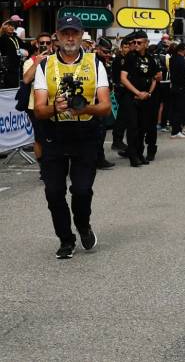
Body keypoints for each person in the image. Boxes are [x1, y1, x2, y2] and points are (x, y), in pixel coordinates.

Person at [33, 16, 111, 259]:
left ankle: (83, 224)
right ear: (57, 35)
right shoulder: (45, 66)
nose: (69, 38)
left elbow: (105, 106)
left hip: (85, 133)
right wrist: (56, 107)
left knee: (82, 190)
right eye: (65, 33)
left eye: (74, 33)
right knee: (54, 192)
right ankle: (65, 239)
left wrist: (85, 108)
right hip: (54, 134)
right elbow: (39, 110)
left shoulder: (95, 63)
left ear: (81, 35)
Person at [120, 31, 158, 166]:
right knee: (133, 128)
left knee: (143, 128)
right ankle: (133, 156)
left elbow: (155, 77)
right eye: (134, 42)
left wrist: (148, 93)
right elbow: (123, 78)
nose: (135, 45)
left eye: (139, 42)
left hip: (145, 98)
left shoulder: (151, 58)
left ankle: (140, 153)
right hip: (131, 97)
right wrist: (137, 92)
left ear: (146, 44)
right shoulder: (130, 57)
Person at [22, 32, 53, 165]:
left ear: (51, 45)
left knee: (55, 137)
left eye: (47, 43)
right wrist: (38, 62)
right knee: (40, 138)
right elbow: (26, 79)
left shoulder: (57, 60)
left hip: (54, 105)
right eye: (42, 43)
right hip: (35, 105)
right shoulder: (30, 61)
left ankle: (56, 164)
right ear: (36, 44)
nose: (45, 45)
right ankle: (43, 166)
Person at [94, 37, 116, 169]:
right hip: (95, 101)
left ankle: (99, 158)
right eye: (105, 51)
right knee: (97, 131)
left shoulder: (104, 62)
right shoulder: (93, 62)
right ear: (97, 49)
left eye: (109, 52)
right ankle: (97, 159)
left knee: (101, 131)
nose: (108, 54)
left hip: (104, 99)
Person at [111, 36, 131, 151]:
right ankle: (117, 141)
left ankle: (119, 140)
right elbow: (116, 77)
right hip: (120, 91)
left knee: (125, 117)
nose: (127, 49)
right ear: (121, 48)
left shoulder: (130, 59)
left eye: (128, 47)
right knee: (121, 117)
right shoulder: (119, 59)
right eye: (125, 47)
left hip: (127, 90)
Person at [169, 43, 185, 139]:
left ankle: (178, 129)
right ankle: (176, 131)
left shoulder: (172, 59)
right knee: (179, 110)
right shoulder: (182, 60)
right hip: (181, 87)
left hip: (174, 86)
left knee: (176, 109)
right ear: (182, 50)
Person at [0, 18, 28, 88]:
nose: (11, 27)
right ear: (4, 27)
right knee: (10, 85)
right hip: (8, 67)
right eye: (8, 26)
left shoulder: (15, 37)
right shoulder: (3, 38)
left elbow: (24, 45)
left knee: (17, 84)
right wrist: (1, 28)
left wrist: (36, 41)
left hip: (17, 64)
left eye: (12, 26)